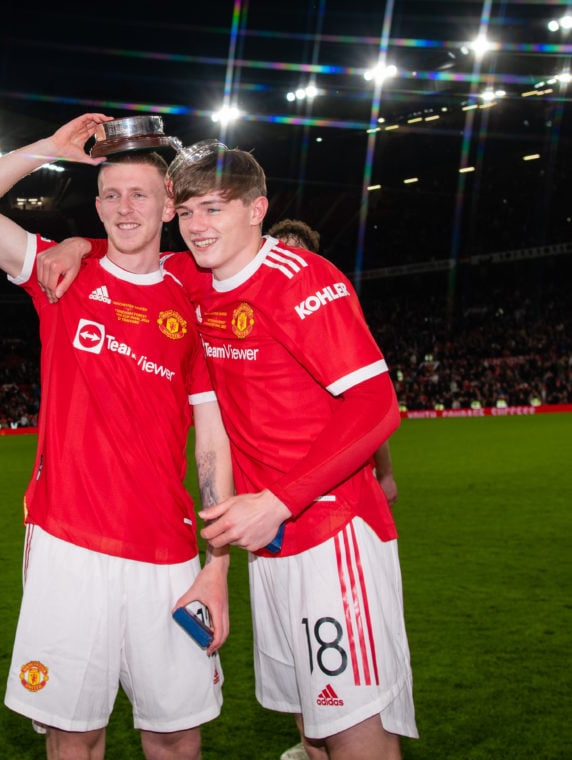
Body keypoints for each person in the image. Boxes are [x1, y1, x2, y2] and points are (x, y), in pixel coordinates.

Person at [38, 144, 416, 758]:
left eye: (212, 209)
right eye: (185, 212)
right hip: (268, 543)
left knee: (352, 730)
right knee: (309, 726)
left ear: (257, 209)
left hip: (330, 527)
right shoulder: (196, 278)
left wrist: (279, 500)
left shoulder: (303, 280)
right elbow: (132, 249)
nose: (197, 226)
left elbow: (376, 405)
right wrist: (81, 245)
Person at [0, 113, 234, 760]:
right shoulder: (61, 275)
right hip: (67, 547)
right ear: (95, 206)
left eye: (139, 196)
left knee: (177, 737)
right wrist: (49, 150)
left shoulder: (195, 294)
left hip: (169, 552)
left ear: (168, 207)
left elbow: (212, 440)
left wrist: (218, 566)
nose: (123, 209)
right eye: (110, 195)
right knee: (75, 737)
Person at [267, 218, 400, 760]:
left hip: (329, 511)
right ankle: (309, 743)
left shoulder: (325, 312)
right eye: (281, 253)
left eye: (299, 255)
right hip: (273, 523)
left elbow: (369, 406)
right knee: (298, 658)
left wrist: (384, 474)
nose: (289, 265)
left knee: (348, 677)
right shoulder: (253, 311)